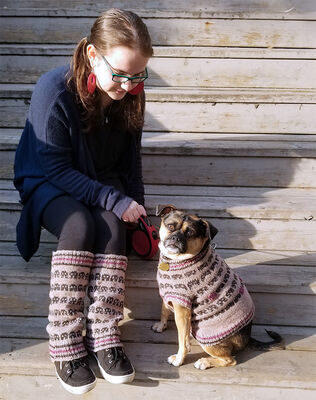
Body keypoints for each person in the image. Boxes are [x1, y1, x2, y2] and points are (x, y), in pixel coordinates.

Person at [13, 8, 153, 395]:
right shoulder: (53, 89)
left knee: (110, 225)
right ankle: (65, 339)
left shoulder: (129, 93)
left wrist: (136, 211)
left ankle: (104, 332)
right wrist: (112, 196)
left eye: (138, 76)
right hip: (48, 179)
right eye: (121, 75)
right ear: (93, 55)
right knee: (80, 224)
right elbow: (55, 168)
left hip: (98, 176)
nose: (128, 85)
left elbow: (131, 162)